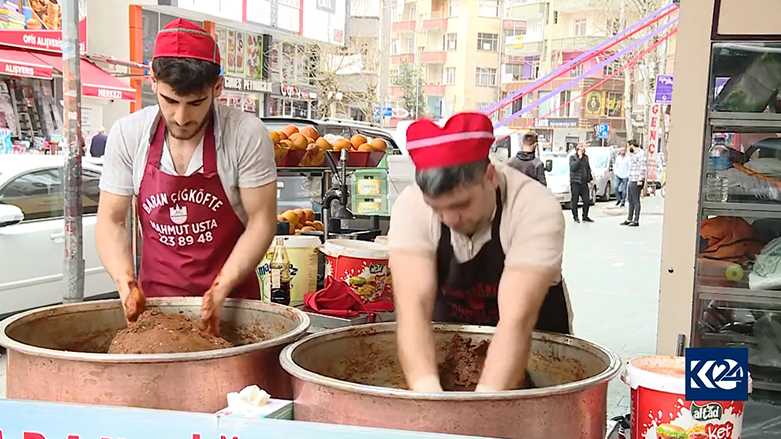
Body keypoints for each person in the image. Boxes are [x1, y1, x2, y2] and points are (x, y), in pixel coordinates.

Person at [95, 19, 278, 334]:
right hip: (155, 309)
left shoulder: (245, 134)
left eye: (195, 103)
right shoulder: (129, 134)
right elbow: (111, 221)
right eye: (170, 101)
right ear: (153, 81)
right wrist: (126, 284)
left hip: (233, 307)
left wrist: (221, 288)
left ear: (217, 88)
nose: (181, 117)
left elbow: (262, 221)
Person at [388, 112, 571, 393]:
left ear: (490, 176)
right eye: (438, 208)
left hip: (538, 358)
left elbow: (516, 321)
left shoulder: (534, 207)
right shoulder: (411, 206)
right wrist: (429, 395)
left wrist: (480, 409)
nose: (450, 219)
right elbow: (413, 308)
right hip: (450, 353)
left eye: (462, 204)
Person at [622, 139, 646, 227]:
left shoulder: (641, 154)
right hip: (631, 178)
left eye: (629, 146)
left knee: (636, 200)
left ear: (632, 145)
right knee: (630, 199)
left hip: (636, 179)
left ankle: (636, 220)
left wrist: (640, 179)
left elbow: (642, 167)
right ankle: (629, 218)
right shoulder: (632, 155)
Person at [568, 143, 595, 223]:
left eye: (583, 147)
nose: (583, 149)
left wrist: (590, 179)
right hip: (575, 182)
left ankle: (585, 216)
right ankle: (575, 217)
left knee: (586, 200)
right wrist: (579, 159)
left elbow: (588, 169)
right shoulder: (573, 157)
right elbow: (573, 168)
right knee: (575, 200)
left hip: (583, 182)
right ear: (577, 149)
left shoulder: (586, 158)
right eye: (581, 147)